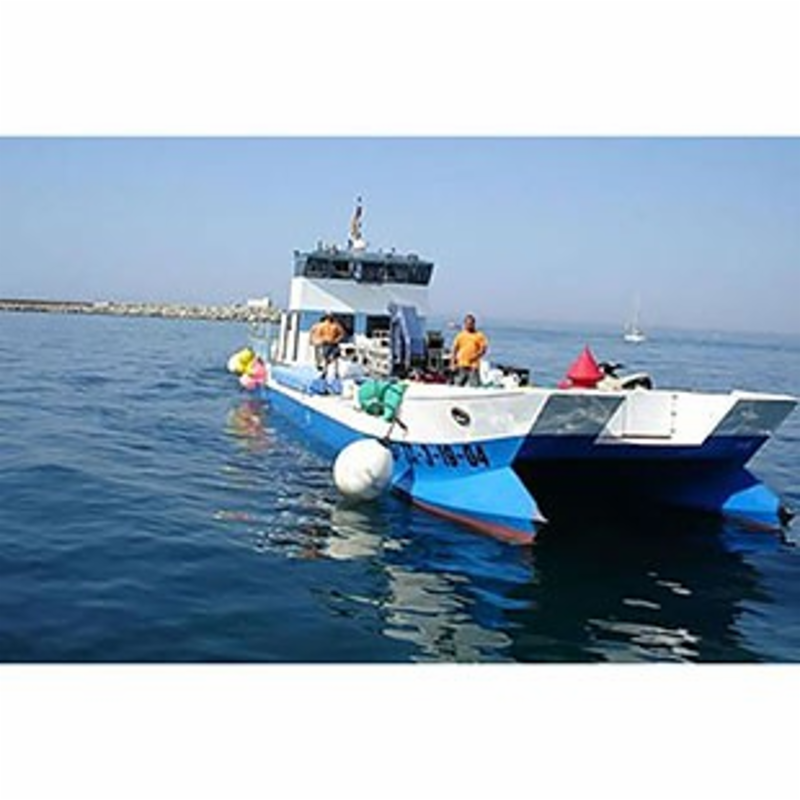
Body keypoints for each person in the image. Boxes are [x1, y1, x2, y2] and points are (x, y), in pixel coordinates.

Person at [450, 313, 488, 387]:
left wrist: (476, 356)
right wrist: (452, 363)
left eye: (471, 324)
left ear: (474, 324)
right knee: (458, 385)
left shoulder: (479, 335)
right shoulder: (460, 335)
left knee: (474, 386)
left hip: (473, 366)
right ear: (465, 324)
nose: (469, 325)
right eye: (467, 324)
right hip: (461, 365)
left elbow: (483, 349)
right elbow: (454, 350)